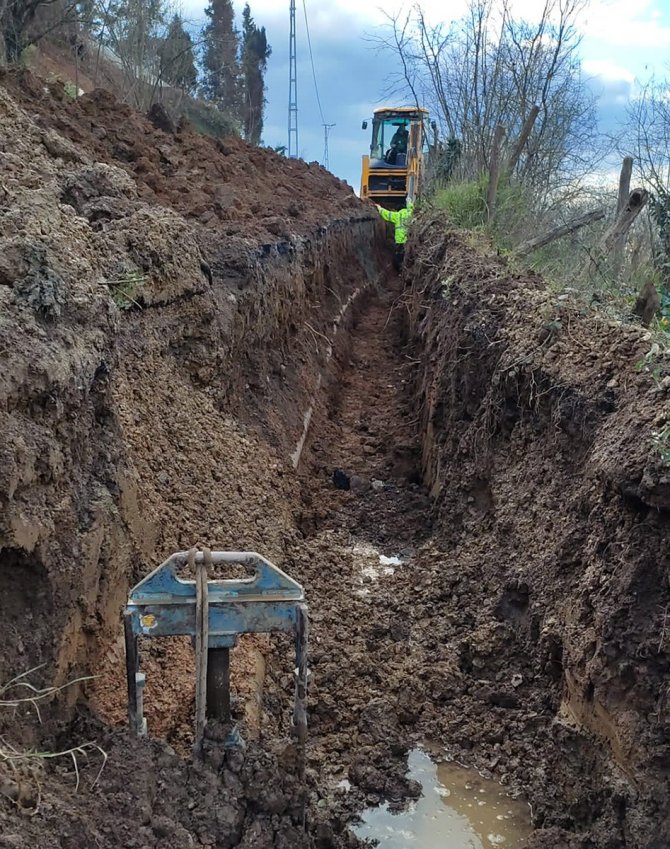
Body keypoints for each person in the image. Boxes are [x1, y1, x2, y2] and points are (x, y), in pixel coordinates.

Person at [376, 200, 414, 271]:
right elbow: (412, 207)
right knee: (409, 256)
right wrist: (408, 201)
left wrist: (379, 208)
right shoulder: (410, 213)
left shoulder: (398, 215)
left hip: (400, 241)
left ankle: (400, 270)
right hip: (410, 240)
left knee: (399, 256)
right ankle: (407, 270)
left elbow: (387, 214)